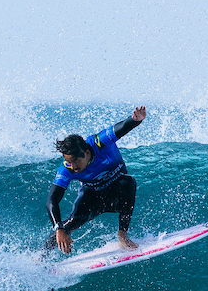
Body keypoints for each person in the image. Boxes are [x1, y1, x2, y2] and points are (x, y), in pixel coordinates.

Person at [44, 106, 147, 255]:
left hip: (116, 194)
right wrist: (58, 228)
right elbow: (51, 201)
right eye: (68, 162)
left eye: (74, 161)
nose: (72, 167)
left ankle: (122, 236)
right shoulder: (67, 168)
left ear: (86, 153)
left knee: (128, 182)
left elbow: (121, 127)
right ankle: (40, 256)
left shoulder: (100, 143)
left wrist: (136, 120)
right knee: (71, 223)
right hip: (91, 197)